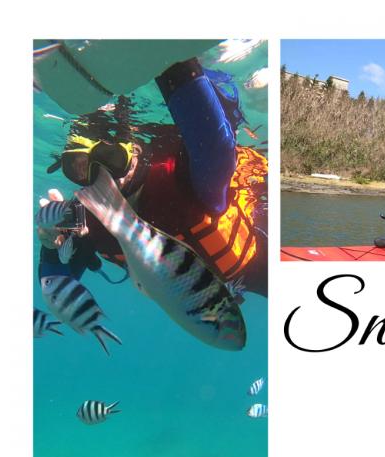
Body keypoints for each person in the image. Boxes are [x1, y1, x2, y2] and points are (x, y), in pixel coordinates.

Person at [37, 59, 268, 299]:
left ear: (137, 152)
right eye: (78, 167)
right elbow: (55, 287)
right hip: (189, 303)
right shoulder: (86, 221)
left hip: (252, 268)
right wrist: (51, 247)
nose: (101, 176)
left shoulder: (183, 180)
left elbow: (215, 149)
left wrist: (172, 64)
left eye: (112, 159)